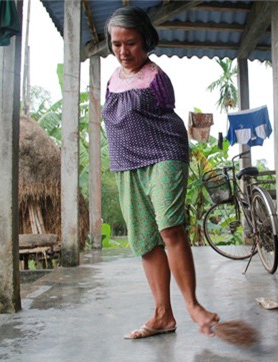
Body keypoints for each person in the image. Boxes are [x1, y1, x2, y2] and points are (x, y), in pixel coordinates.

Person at [102, 6, 220, 339]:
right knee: (145, 241)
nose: (124, 52)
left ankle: (193, 306)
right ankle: (162, 315)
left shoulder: (156, 77)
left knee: (169, 227)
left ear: (145, 41)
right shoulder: (111, 80)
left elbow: (164, 112)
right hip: (126, 164)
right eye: (116, 45)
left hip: (164, 154)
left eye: (131, 43)